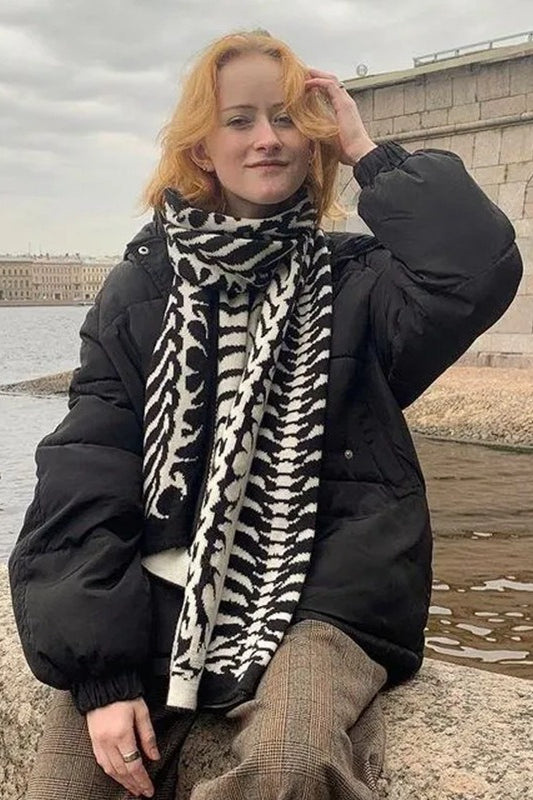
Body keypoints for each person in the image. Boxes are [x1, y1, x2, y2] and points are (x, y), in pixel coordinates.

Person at [9, 29, 522, 800]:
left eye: (287, 119)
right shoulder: (141, 289)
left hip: (332, 595)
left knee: (290, 759)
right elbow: (87, 471)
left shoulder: (359, 282)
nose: (267, 138)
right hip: (164, 590)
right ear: (201, 146)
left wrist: (367, 153)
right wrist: (102, 678)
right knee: (71, 782)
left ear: (312, 140)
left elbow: (474, 268)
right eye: (240, 119)